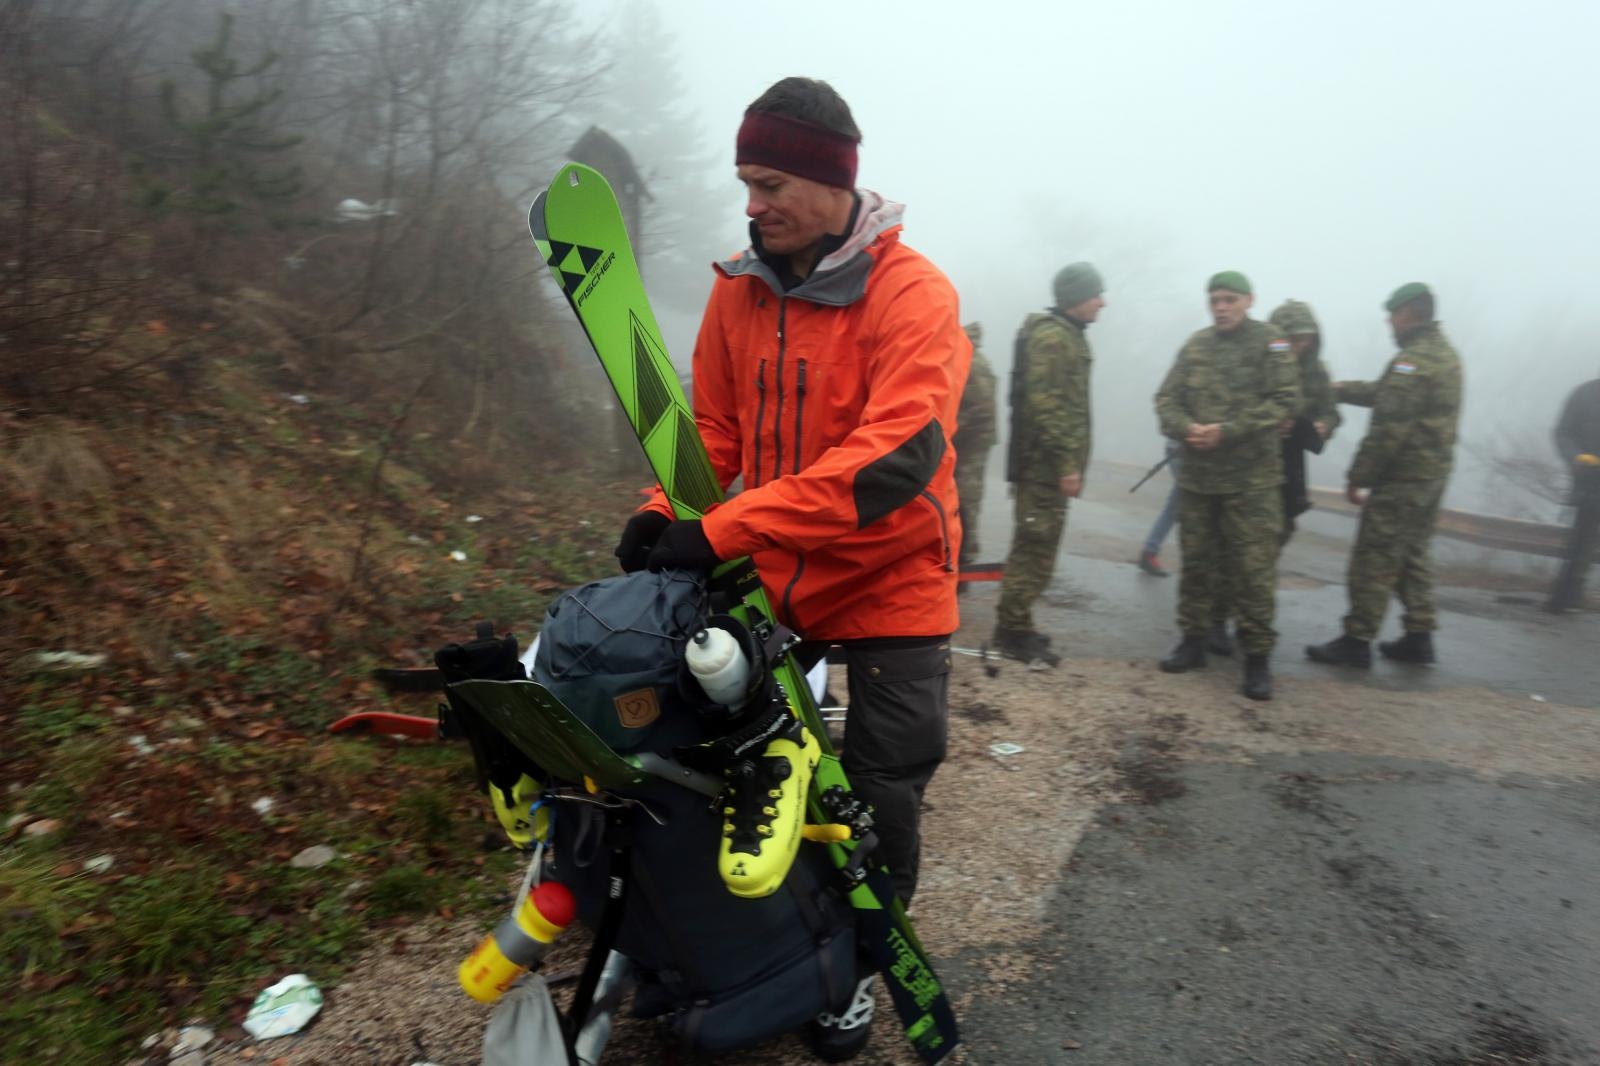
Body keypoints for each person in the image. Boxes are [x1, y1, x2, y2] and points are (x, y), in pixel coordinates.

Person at [613, 77, 967, 916]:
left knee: (880, 786)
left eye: (770, 185)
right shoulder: (739, 288)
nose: (753, 204)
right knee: (746, 761)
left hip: (894, 577)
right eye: (746, 184)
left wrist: (725, 530)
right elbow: (713, 430)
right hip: (773, 573)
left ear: (833, 183)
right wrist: (665, 510)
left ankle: (858, 953)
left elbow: (891, 464)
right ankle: (766, 934)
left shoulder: (914, 295)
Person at [1154, 271, 1298, 700]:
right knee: (1197, 565)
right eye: (1215, 299)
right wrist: (1186, 428)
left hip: (1250, 483)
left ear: (1249, 300)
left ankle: (1257, 660)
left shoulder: (1271, 343)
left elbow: (1286, 400)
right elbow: (1166, 399)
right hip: (1199, 481)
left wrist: (1229, 430)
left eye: (1230, 299)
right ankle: (1192, 642)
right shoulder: (1196, 346)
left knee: (1252, 574)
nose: (1221, 307)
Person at [1306, 283, 1462, 666]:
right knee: (1412, 552)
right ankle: (1419, 636)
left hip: (1403, 479)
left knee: (1374, 556)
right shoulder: (1443, 354)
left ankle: (1356, 640)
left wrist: (1359, 476)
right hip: (1431, 477)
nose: (1389, 323)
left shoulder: (1413, 361)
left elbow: (1390, 427)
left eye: (1391, 315)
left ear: (1407, 313)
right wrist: (1339, 389)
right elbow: (1385, 392)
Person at [1205, 299, 1341, 650]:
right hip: (1248, 465)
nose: (1301, 347)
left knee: (1266, 551)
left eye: (1307, 340)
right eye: (1294, 339)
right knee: (1231, 547)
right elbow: (1228, 407)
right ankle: (1215, 619)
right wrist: (1267, 420)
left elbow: (1330, 410)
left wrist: (1325, 426)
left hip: (1289, 470)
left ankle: (1247, 619)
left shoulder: (1316, 373)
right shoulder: (1256, 362)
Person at [993, 263, 1106, 664]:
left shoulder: (1068, 335)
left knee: (1039, 547)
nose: (1102, 302)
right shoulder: (1054, 338)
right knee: (1034, 547)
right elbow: (1046, 406)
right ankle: (1011, 630)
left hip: (1046, 465)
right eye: (1096, 295)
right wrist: (1066, 465)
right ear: (1077, 297)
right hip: (1042, 467)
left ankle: (1018, 623)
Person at [1545, 374, 1600, 612]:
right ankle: (1566, 596)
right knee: (1581, 540)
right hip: (1589, 480)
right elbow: (1563, 432)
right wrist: (1575, 457)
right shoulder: (1585, 393)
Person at [954, 321, 999, 580]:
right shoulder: (968, 356)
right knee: (962, 499)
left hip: (972, 445)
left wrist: (949, 434)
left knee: (965, 500)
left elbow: (980, 409)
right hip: (970, 441)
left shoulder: (972, 361)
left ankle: (964, 560)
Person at [1136, 441, 1181, 577]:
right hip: (1185, 452)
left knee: (1175, 506)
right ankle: (1149, 552)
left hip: (1179, 450)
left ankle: (1149, 552)